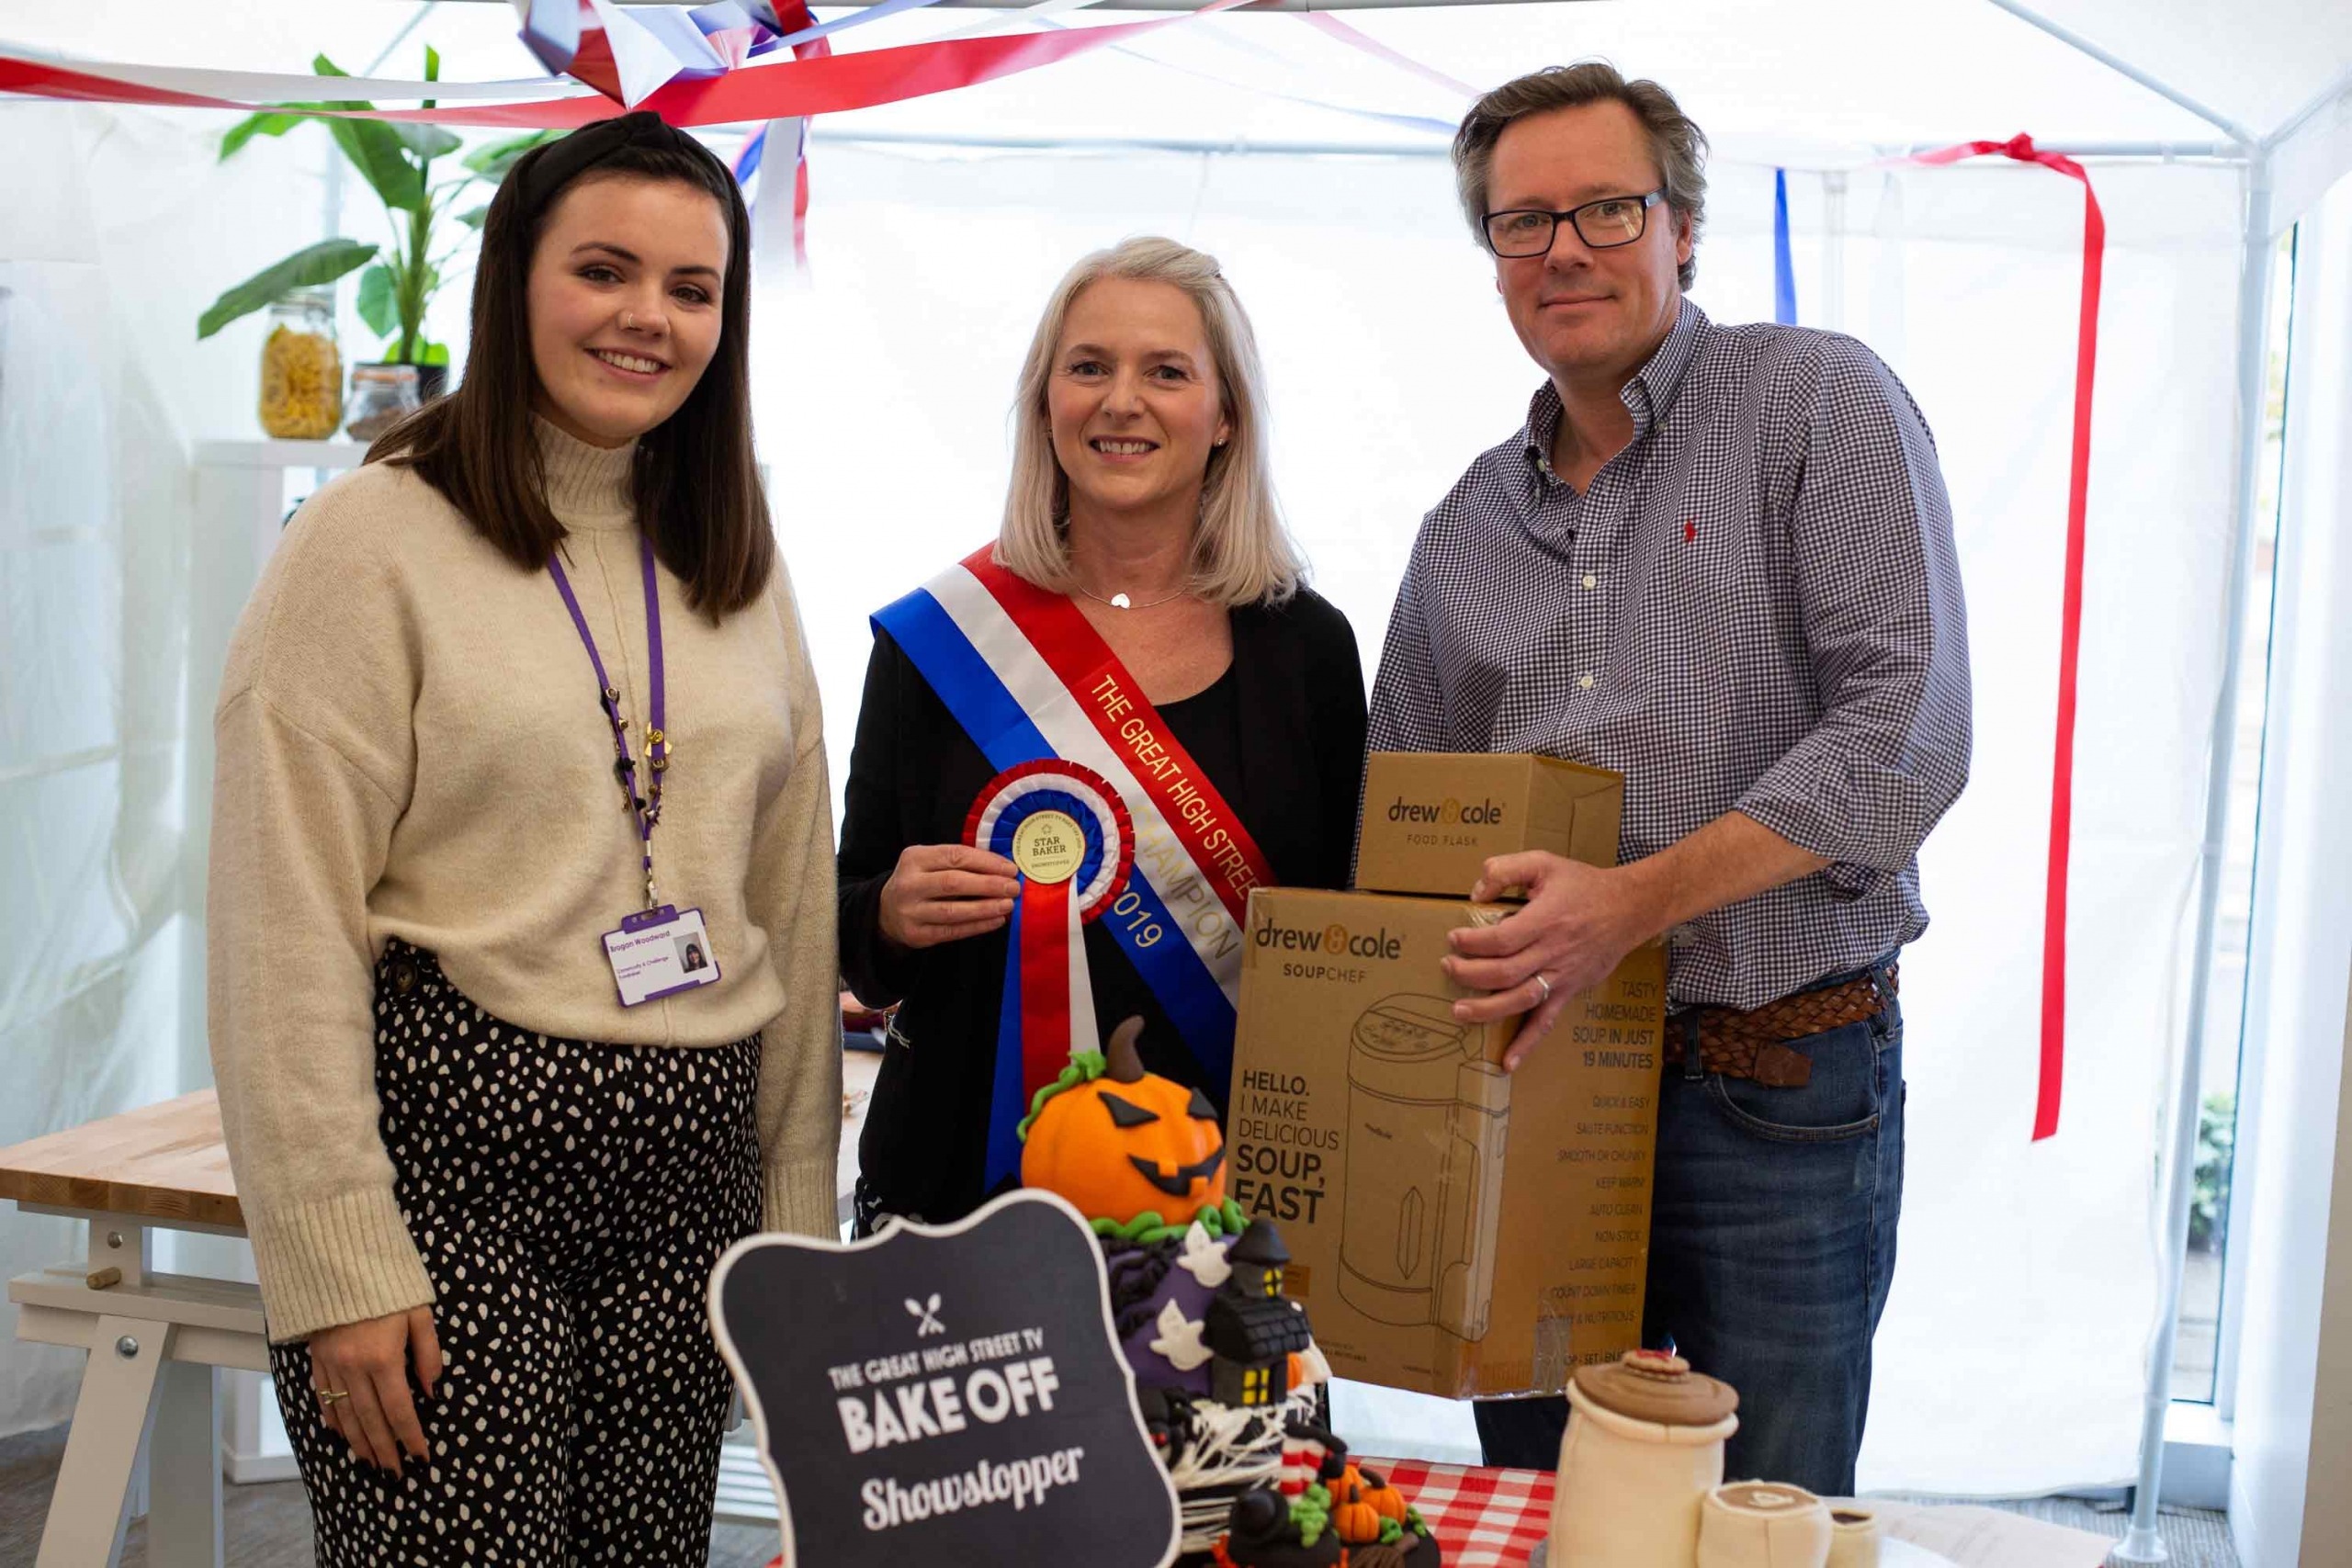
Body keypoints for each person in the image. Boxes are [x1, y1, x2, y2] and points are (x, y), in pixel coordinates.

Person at [208, 112, 841, 1565]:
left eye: (692, 288)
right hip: (454, 1173)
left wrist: (794, 1229)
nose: (648, 317)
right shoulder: (368, 540)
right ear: (514, 281)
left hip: (693, 1183)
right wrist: (335, 1259)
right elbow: (277, 917)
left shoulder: (738, 555)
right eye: (605, 270)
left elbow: (791, 904)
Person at [1368, 64, 1972, 1495]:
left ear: (1683, 226)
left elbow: (1907, 728)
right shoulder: (1462, 526)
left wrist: (1628, 903)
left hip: (1778, 1081)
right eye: (1523, 222)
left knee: (1767, 1505)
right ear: (1494, 258)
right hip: (1536, 1090)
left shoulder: (1815, 400)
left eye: (1605, 208)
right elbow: (1404, 812)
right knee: (1550, 1497)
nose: (1564, 248)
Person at [838, 236, 1365, 1230]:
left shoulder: (1306, 646)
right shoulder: (936, 639)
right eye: (1089, 368)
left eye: (1165, 372)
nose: (1122, 400)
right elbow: (848, 919)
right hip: (964, 1193)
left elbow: (1349, 928)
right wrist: (888, 914)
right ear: (1046, 404)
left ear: (1223, 419)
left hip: (1226, 1201)